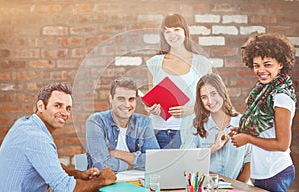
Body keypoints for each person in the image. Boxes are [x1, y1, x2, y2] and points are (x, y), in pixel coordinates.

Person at [0, 83, 116, 192]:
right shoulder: (37, 138)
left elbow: (47, 162)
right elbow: (67, 191)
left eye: (68, 108)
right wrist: (102, 180)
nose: (64, 113)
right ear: (40, 106)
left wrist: (78, 174)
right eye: (58, 105)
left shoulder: (25, 124)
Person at [231, 33, 296, 192]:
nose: (261, 70)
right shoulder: (263, 91)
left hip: (275, 171)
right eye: (256, 65)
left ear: (280, 63)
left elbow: (282, 144)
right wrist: (242, 132)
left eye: (267, 64)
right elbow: (263, 130)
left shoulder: (280, 95)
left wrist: (247, 139)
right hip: (262, 171)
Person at [145, 13, 212, 149]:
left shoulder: (202, 63)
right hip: (158, 131)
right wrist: (150, 108)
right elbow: (150, 98)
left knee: (187, 170)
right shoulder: (154, 63)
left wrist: (192, 109)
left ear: (185, 32)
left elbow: (211, 102)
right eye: (167, 31)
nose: (172, 35)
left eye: (176, 29)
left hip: (190, 131)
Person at [86, 77, 160, 172]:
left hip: (138, 182)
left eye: (131, 99)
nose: (127, 105)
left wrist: (120, 154)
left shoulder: (144, 123)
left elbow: (155, 161)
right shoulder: (96, 121)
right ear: (111, 99)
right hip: (105, 182)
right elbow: (102, 165)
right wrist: (132, 164)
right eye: (121, 99)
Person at [191, 73, 251, 182]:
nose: (210, 101)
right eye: (204, 97)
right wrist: (214, 148)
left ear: (222, 93)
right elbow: (191, 162)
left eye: (213, 94)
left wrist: (235, 189)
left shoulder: (243, 123)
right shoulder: (197, 127)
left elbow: (250, 161)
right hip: (208, 190)